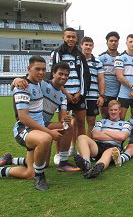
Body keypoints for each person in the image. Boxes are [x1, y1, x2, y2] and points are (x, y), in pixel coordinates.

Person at [1, 56, 59, 190]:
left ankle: (11, 161)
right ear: (29, 69)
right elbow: (24, 118)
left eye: (43, 69)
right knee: (45, 139)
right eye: (37, 69)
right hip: (24, 130)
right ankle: (40, 177)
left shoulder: (38, 82)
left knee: (29, 173)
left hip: (37, 129)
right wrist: (49, 132)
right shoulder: (22, 87)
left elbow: (55, 84)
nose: (41, 72)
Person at [9, 63, 80, 171]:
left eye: (66, 75)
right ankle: (13, 160)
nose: (63, 77)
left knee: (68, 126)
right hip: (30, 125)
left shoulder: (63, 97)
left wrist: (66, 119)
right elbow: (26, 81)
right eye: (60, 74)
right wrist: (16, 80)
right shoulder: (42, 84)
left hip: (44, 124)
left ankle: (63, 162)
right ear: (53, 73)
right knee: (40, 163)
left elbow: (62, 118)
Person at [50, 27, 90, 155]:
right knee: (63, 124)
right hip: (63, 95)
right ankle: (58, 152)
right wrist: (66, 94)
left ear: (76, 38)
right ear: (63, 37)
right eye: (68, 36)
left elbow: (85, 76)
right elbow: (55, 75)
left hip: (78, 95)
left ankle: (81, 151)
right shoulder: (57, 53)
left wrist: (80, 93)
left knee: (80, 123)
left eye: (73, 37)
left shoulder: (80, 55)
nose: (71, 39)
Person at [73, 100, 129, 179]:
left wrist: (105, 131)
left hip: (113, 147)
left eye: (115, 110)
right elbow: (95, 135)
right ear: (108, 111)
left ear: (119, 111)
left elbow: (122, 137)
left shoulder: (125, 124)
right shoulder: (101, 121)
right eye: (111, 110)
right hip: (98, 146)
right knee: (81, 137)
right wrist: (115, 136)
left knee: (109, 153)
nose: (113, 112)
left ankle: (94, 170)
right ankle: (86, 163)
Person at [81, 37, 105, 137]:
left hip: (93, 96)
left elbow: (101, 79)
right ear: (81, 45)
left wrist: (101, 95)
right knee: (77, 122)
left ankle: (88, 145)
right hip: (79, 96)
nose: (88, 47)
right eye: (86, 44)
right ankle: (73, 146)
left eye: (90, 45)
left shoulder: (97, 62)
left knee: (91, 121)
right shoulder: (77, 60)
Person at [98, 31, 121, 118]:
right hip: (105, 94)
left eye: (115, 41)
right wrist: (101, 93)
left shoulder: (122, 57)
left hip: (119, 94)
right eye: (111, 41)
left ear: (118, 43)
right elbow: (99, 77)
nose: (113, 43)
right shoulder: (101, 58)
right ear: (107, 42)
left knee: (117, 118)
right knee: (105, 117)